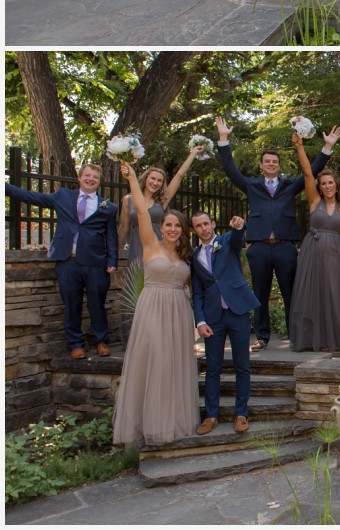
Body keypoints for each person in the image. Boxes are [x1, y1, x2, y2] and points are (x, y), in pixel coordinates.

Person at [215, 114, 340, 350]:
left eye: (275, 161)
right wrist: (223, 139)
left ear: (278, 165)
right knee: (259, 294)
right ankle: (262, 336)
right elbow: (231, 171)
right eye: (267, 162)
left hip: (285, 246)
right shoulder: (252, 186)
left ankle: (296, 336)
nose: (271, 164)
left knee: (291, 293)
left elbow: (311, 171)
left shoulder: (289, 186)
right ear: (261, 165)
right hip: (259, 247)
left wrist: (327, 147)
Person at [112, 161, 198, 445]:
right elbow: (140, 210)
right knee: (156, 363)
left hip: (178, 313)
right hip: (152, 309)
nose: (173, 229)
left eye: (177, 226)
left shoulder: (186, 254)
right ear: (161, 227)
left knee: (174, 365)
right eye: (168, 225)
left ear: (183, 230)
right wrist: (133, 179)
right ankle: (149, 426)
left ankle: (173, 421)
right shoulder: (150, 245)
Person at [5, 162, 117, 359]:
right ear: (80, 178)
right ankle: (76, 344)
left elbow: (112, 236)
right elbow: (33, 197)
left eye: (95, 177)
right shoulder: (63, 196)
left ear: (99, 182)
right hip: (67, 261)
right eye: (87, 175)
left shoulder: (107, 207)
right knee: (71, 304)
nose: (91, 179)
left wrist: (112, 261)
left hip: (95, 263)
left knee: (97, 304)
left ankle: (101, 341)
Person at [288, 144, 340, 353]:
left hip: (336, 254)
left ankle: (337, 338)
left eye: (331, 183)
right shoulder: (314, 201)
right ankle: (313, 339)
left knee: (335, 295)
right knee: (313, 295)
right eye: (324, 183)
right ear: (319, 187)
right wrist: (301, 148)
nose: (328, 186)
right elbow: (307, 174)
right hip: (314, 252)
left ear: (336, 185)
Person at [191, 212, 260, 435]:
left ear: (212, 224)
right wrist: (200, 321)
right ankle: (211, 416)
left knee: (242, 365)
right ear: (194, 231)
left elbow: (238, 237)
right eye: (198, 226)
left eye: (206, 223)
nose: (203, 229)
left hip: (237, 311)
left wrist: (240, 227)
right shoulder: (195, 257)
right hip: (213, 318)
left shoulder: (226, 242)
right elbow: (198, 292)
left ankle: (242, 414)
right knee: (213, 368)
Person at [118, 148, 204, 266]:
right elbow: (124, 227)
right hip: (136, 247)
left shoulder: (162, 201)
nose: (155, 182)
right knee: (137, 282)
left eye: (159, 181)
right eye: (153, 178)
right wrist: (114, 253)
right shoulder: (129, 200)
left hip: (159, 248)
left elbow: (179, 175)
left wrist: (193, 154)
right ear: (145, 179)